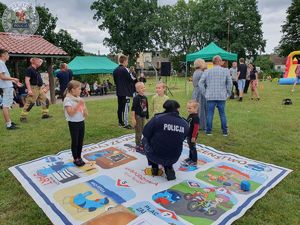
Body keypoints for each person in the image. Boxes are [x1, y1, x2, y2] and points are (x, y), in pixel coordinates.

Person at [142, 100, 189, 181]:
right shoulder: (184, 123)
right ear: (178, 109)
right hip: (174, 157)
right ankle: (169, 167)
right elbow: (183, 138)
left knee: (144, 139)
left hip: (155, 156)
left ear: (165, 108)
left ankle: (154, 167)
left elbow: (145, 133)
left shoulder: (157, 119)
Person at [199, 55, 232, 136]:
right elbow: (230, 83)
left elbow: (200, 83)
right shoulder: (225, 71)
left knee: (210, 113)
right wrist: (228, 93)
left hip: (210, 95)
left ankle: (209, 131)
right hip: (221, 96)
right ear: (219, 61)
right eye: (221, 61)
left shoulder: (207, 71)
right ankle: (224, 131)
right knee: (222, 113)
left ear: (213, 62)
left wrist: (205, 93)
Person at [63, 80, 88, 167]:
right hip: (73, 123)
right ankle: (75, 158)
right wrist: (78, 105)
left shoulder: (79, 99)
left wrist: (84, 108)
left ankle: (79, 157)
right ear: (73, 90)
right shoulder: (67, 99)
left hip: (81, 122)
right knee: (75, 141)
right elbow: (71, 113)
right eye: (79, 89)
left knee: (80, 141)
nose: (80, 90)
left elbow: (86, 114)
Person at [20, 58, 51, 122]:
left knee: (45, 100)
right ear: (33, 62)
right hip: (33, 88)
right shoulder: (29, 69)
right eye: (38, 60)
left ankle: (45, 114)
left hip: (39, 88)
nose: (40, 61)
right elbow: (27, 80)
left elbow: (41, 61)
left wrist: (39, 60)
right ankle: (23, 117)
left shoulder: (36, 69)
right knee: (30, 103)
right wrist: (29, 90)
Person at [0, 49, 21, 130]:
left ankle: (9, 122)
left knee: (7, 105)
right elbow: (2, 77)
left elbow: (5, 77)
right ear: (3, 55)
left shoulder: (2, 63)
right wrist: (14, 78)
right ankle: (9, 125)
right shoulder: (1, 63)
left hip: (7, 87)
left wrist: (15, 82)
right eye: (7, 54)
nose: (8, 56)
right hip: (6, 87)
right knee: (5, 106)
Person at [113, 55, 135, 129]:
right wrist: (131, 73)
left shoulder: (115, 70)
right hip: (125, 92)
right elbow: (131, 79)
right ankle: (125, 123)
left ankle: (120, 122)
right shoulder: (125, 69)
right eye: (127, 61)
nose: (127, 63)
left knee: (120, 107)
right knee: (126, 108)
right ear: (125, 61)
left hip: (119, 91)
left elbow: (115, 82)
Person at [131, 82, 149, 152]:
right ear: (137, 90)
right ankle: (137, 144)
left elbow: (146, 107)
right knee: (138, 131)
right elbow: (133, 108)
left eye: (143, 87)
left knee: (143, 130)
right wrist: (133, 118)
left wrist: (147, 116)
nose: (143, 89)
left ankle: (141, 142)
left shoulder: (145, 97)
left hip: (143, 116)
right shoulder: (136, 98)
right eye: (141, 88)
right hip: (138, 116)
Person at [183, 100, 200, 166]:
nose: (188, 109)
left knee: (193, 147)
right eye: (187, 108)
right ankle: (190, 158)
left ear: (195, 109)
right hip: (189, 134)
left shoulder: (195, 117)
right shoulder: (191, 115)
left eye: (190, 108)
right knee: (190, 147)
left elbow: (196, 128)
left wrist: (193, 137)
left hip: (192, 135)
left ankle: (194, 160)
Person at [192, 58, 207, 130]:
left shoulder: (195, 72)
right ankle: (200, 125)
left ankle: (195, 123)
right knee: (201, 108)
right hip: (200, 91)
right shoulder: (201, 73)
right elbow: (205, 83)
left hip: (195, 91)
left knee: (195, 108)